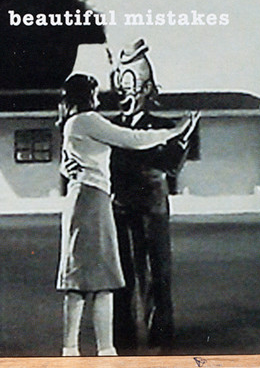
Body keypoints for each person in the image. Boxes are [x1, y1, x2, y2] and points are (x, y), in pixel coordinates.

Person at [56, 72, 197, 357]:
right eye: (95, 91)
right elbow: (132, 139)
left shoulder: (74, 122)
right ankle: (93, 348)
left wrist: (70, 169)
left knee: (92, 278)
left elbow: (67, 162)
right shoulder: (88, 119)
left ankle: (91, 348)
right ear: (88, 95)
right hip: (93, 200)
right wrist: (175, 130)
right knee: (97, 279)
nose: (101, 96)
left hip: (90, 198)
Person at [110, 39, 193, 353]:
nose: (125, 94)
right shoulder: (110, 127)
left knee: (158, 277)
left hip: (153, 212)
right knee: (121, 278)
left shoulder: (163, 127)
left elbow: (171, 165)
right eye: (121, 85)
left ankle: (161, 338)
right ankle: (123, 340)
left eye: (132, 86)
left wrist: (180, 141)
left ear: (147, 89)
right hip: (120, 210)